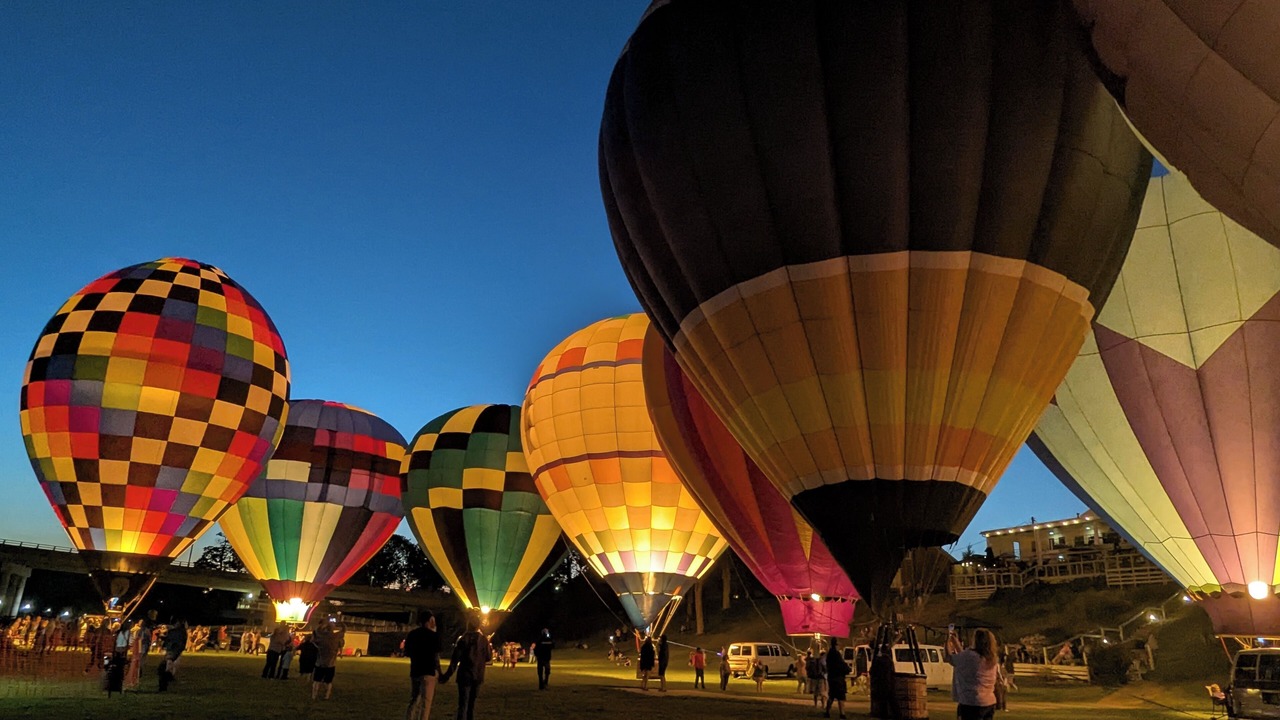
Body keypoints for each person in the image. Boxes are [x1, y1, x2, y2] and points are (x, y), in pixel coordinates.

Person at [440, 621, 491, 720]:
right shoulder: (484, 640)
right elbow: (488, 657)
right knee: (471, 705)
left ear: (468, 626)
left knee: (463, 704)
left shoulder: (463, 639)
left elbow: (455, 660)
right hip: (478, 676)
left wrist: (447, 675)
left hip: (465, 675)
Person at [946, 627, 1000, 720]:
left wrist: (947, 641)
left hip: (971, 702)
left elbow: (949, 658)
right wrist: (956, 643)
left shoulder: (970, 656)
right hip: (989, 701)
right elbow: (964, 658)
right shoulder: (990, 658)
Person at [404, 611, 442, 720]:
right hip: (429, 672)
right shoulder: (434, 636)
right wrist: (440, 672)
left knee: (414, 699)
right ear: (429, 621)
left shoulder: (412, 634)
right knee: (426, 703)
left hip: (415, 671)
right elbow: (436, 656)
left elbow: (408, 652)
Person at [311, 620, 346, 700]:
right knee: (328, 681)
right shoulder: (336, 637)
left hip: (320, 663)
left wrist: (322, 624)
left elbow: (316, 632)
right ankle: (327, 695)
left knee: (316, 680)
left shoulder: (320, 636)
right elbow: (344, 630)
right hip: (331, 664)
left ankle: (314, 695)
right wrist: (341, 623)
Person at [825, 638, 849, 719]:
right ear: (836, 645)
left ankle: (827, 711)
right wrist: (847, 669)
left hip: (831, 677)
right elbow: (841, 665)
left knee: (831, 695)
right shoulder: (837, 654)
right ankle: (842, 713)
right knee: (841, 696)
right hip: (838, 677)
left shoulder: (829, 654)